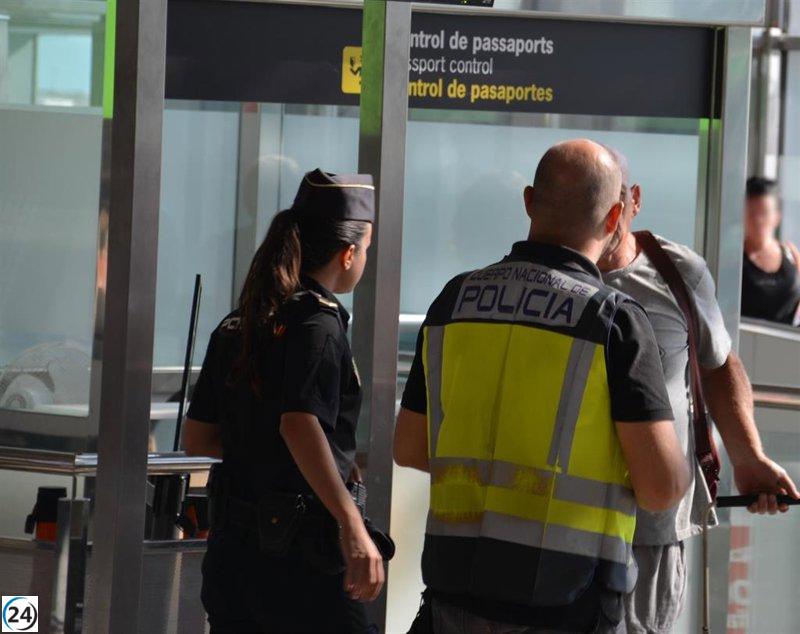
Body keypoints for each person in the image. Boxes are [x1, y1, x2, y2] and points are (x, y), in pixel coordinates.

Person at [394, 139, 691, 633]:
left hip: (452, 597)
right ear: (616, 215)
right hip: (563, 604)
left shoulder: (455, 300)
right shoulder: (612, 320)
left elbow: (409, 446)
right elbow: (660, 488)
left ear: (529, 201)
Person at [596, 153, 799, 633]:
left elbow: (720, 365)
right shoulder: (554, 274)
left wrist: (748, 457)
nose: (599, 225)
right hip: (560, 527)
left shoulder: (675, 270)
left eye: (609, 207)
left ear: (633, 202)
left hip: (652, 531)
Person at [183, 169, 384, 633]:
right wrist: (351, 524)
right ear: (348, 253)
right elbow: (299, 425)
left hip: (233, 559)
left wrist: (279, 453)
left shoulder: (241, 321)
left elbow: (200, 435)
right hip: (298, 564)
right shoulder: (319, 324)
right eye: (367, 249)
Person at [741, 176, 800, 326]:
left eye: (764, 212)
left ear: (777, 217)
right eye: (752, 213)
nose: (758, 220)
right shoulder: (733, 259)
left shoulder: (791, 255)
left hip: (784, 342)